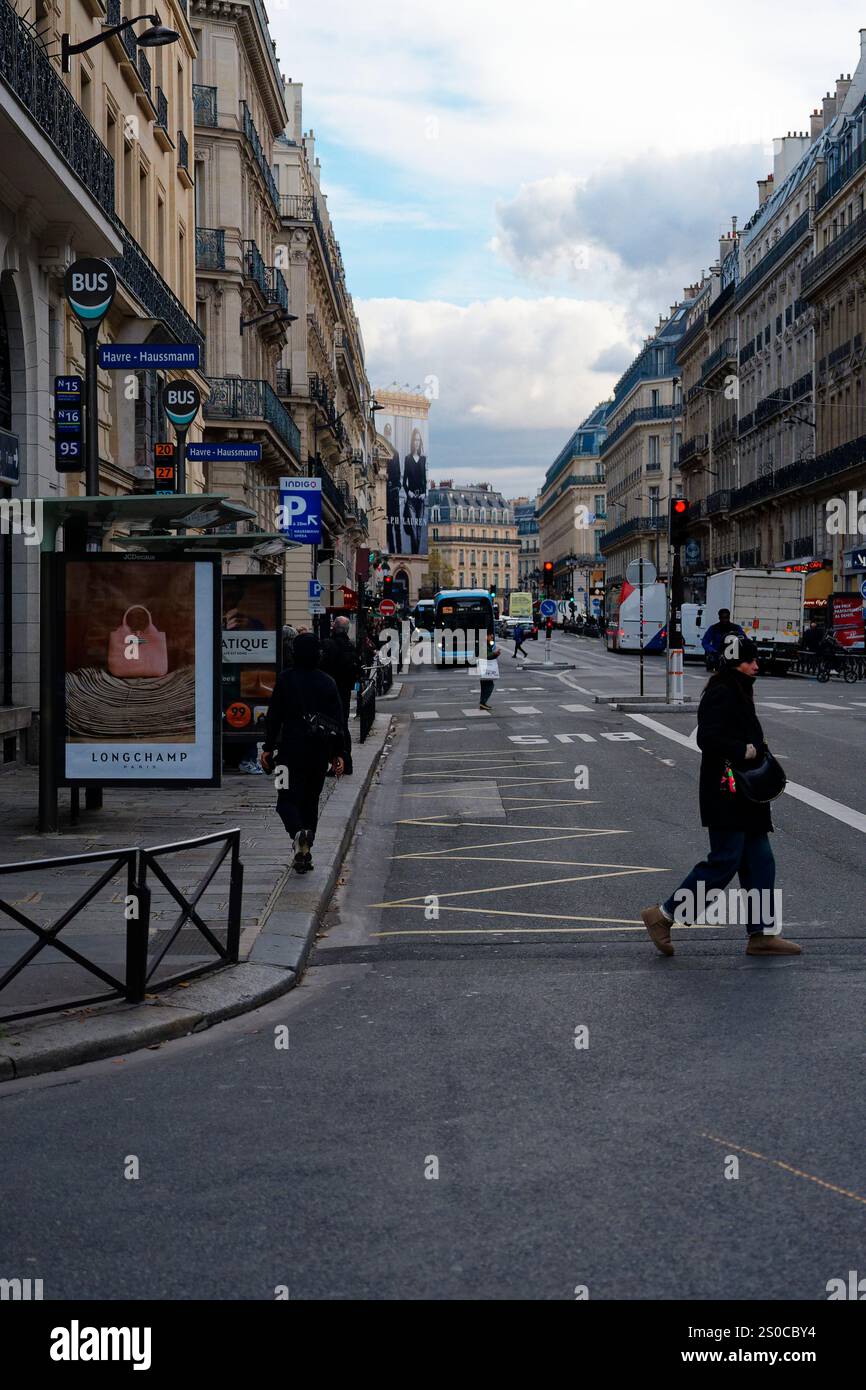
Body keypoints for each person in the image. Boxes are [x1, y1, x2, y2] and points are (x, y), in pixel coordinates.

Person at [641, 637, 800, 957]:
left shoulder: (738, 688)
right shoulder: (722, 691)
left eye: (756, 660)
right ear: (734, 662)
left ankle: (762, 934)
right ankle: (664, 915)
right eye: (750, 660)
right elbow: (707, 737)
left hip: (746, 794)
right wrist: (744, 749)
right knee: (725, 861)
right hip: (726, 791)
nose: (756, 665)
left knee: (761, 862)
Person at [260, 632, 345, 873]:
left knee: (284, 799)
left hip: (287, 755)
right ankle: (305, 847)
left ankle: (297, 833)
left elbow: (274, 716)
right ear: (318, 654)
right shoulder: (327, 682)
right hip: (317, 757)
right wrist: (338, 754)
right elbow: (337, 722)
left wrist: (267, 748)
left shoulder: (285, 680)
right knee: (310, 801)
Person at [320, 614, 361, 776]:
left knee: (329, 729)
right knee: (343, 727)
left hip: (329, 692)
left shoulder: (329, 645)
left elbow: (322, 667)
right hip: (344, 693)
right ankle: (346, 762)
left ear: (334, 628)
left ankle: (335, 764)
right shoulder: (350, 646)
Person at [402, 428, 427, 555]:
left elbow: (425, 480)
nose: (416, 442)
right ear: (412, 442)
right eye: (415, 440)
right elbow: (404, 481)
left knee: (419, 529)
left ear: (420, 442)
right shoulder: (407, 459)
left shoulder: (423, 460)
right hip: (411, 499)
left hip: (421, 500)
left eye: (418, 440)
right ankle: (415, 555)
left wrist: (424, 493)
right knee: (413, 528)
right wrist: (408, 492)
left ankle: (416, 555)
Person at [384, 424, 402, 555]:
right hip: (385, 492)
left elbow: (399, 473)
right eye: (387, 432)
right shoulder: (382, 449)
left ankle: (398, 550)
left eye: (389, 433)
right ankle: (391, 549)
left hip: (394, 492)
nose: (388, 435)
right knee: (388, 523)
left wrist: (396, 486)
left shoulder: (396, 453)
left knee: (396, 523)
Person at [479, 631, 501, 712]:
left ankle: (483, 703)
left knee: (485, 686)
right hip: (485, 668)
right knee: (489, 686)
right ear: (486, 636)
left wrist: (495, 654)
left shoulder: (485, 644)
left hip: (484, 668)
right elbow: (486, 656)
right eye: (490, 636)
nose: (492, 637)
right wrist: (495, 654)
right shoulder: (484, 645)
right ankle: (483, 702)